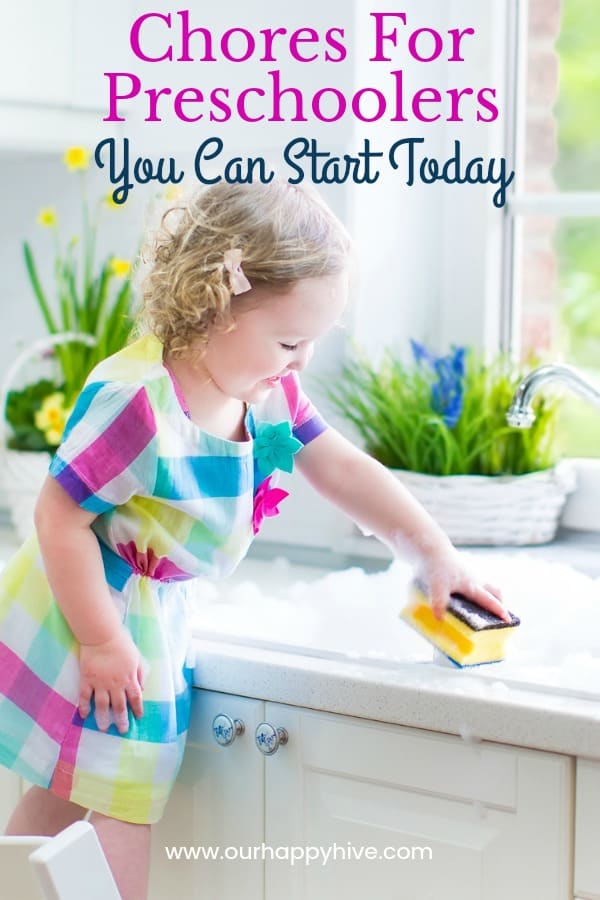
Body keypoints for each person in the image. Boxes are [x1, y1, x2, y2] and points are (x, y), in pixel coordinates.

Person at [0, 180, 506, 899]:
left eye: (313, 343)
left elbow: (340, 467)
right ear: (213, 304)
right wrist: (103, 640)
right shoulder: (138, 403)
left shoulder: (264, 390)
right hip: (90, 612)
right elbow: (58, 516)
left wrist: (432, 551)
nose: (301, 362)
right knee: (116, 802)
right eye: (291, 340)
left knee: (68, 791)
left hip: (144, 613)